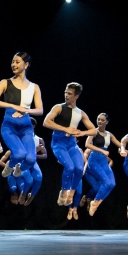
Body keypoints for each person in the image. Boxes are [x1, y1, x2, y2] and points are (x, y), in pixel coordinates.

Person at [0, 51, 43, 186]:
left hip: (26, 126)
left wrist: (26, 110)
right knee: (18, 154)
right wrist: (14, 105)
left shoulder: (34, 87)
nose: (13, 64)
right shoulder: (5, 83)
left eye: (17, 62)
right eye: (13, 61)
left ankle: (19, 168)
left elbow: (40, 110)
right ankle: (10, 165)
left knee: (30, 159)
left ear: (26, 64)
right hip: (9, 126)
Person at [43, 82, 97, 217]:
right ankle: (64, 191)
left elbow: (93, 130)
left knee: (79, 168)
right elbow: (46, 122)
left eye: (70, 94)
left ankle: (71, 192)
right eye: (66, 92)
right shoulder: (58, 108)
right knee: (70, 167)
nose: (66, 95)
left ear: (76, 96)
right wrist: (65, 129)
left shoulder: (80, 113)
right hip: (58, 142)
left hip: (71, 143)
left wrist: (82, 133)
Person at [83, 112, 122, 216]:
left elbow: (120, 144)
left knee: (112, 184)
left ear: (107, 122)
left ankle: (96, 203)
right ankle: (95, 202)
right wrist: (102, 151)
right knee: (106, 182)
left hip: (103, 161)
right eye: (98, 119)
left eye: (102, 120)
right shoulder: (94, 132)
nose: (100, 121)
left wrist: (122, 150)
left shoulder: (109, 134)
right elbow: (87, 144)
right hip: (94, 160)